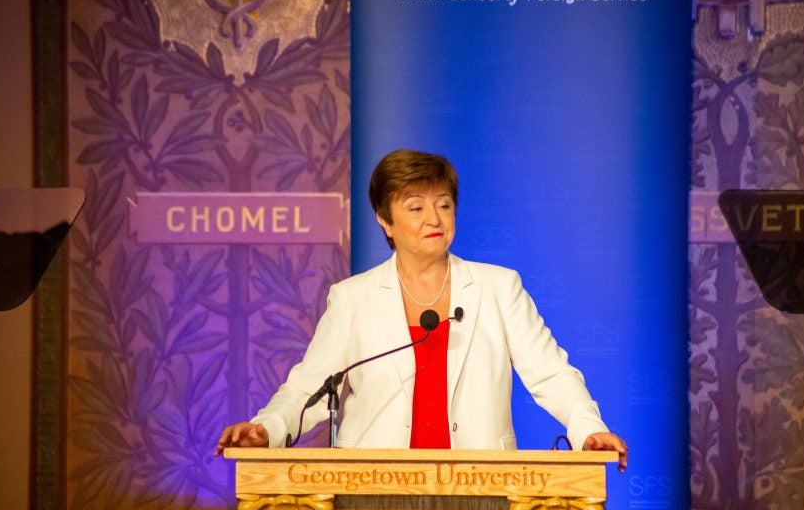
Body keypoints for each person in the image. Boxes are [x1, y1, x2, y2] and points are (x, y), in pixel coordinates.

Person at [214, 149, 628, 471]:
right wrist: (266, 429)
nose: (434, 217)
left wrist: (588, 430)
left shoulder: (499, 288)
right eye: (415, 207)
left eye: (444, 205)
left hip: (479, 482)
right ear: (384, 220)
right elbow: (309, 388)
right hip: (372, 486)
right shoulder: (352, 298)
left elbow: (552, 373)